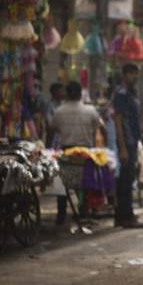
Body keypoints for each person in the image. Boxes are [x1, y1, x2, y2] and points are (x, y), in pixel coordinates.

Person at [50, 81, 103, 225]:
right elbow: (99, 127)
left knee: (62, 184)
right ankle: (84, 211)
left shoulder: (59, 111)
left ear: (67, 94)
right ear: (81, 94)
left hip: (67, 152)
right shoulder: (90, 111)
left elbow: (53, 129)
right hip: (86, 153)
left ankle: (61, 215)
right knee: (85, 184)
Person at [113, 63, 143, 228]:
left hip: (133, 140)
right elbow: (118, 121)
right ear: (125, 74)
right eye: (132, 74)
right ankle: (125, 217)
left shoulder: (132, 92)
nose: (135, 77)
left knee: (128, 179)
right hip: (126, 142)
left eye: (136, 74)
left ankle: (124, 215)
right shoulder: (121, 93)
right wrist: (123, 147)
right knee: (126, 180)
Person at [44, 82, 65, 149]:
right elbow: (49, 124)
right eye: (60, 91)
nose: (63, 93)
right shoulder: (50, 106)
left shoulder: (63, 105)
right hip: (53, 139)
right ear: (54, 92)